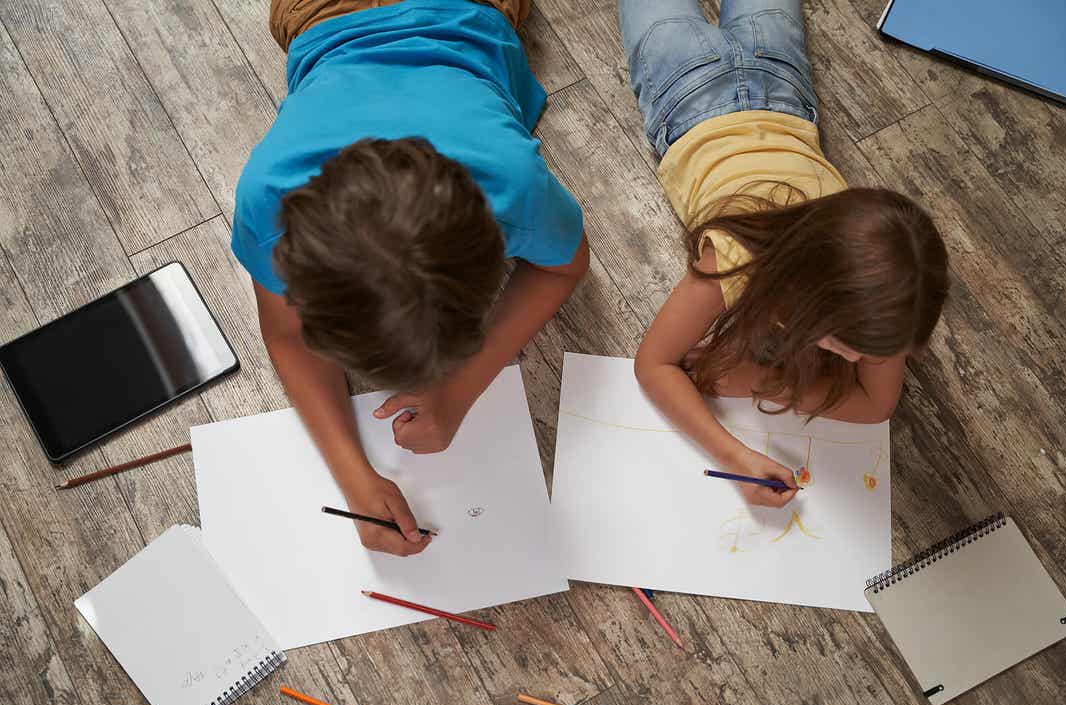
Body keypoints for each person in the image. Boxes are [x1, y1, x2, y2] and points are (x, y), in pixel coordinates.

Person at [234, 0, 588, 556]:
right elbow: (287, 337)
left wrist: (459, 387)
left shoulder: (512, 186)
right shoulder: (269, 202)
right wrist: (354, 477)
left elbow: (567, 266)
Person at [623, 1, 949, 508]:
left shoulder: (876, 276)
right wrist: (733, 457)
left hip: (780, 86)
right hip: (683, 90)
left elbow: (878, 406)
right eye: (846, 345)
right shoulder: (732, 257)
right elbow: (652, 364)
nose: (859, 359)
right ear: (807, 294)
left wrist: (760, 380)